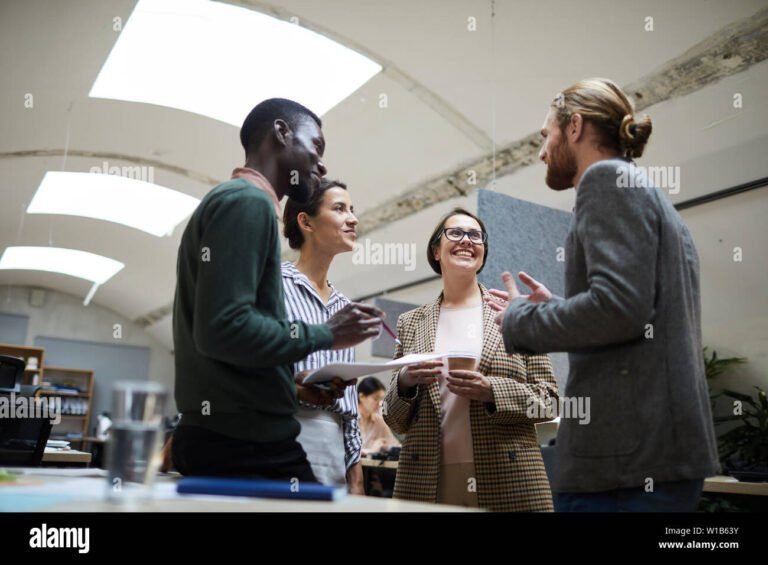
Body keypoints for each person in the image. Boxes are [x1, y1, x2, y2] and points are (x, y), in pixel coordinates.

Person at [494, 78, 719, 511]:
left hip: (624, 462)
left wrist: (519, 318)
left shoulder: (606, 178)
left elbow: (618, 310)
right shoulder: (643, 190)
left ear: (574, 127)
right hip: (651, 457)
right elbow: (631, 310)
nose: (542, 152)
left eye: (546, 136)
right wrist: (558, 310)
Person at [171, 98, 383, 482]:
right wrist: (327, 334)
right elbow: (224, 329)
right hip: (245, 443)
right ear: (281, 133)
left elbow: (229, 347)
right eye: (316, 147)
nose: (321, 164)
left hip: (227, 436)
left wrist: (289, 386)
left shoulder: (234, 200)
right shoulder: (248, 203)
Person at [383, 208, 559, 511]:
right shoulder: (411, 322)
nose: (467, 240)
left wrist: (492, 390)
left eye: (475, 235)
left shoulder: (512, 312)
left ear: (483, 252)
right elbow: (394, 417)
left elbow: (551, 400)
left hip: (508, 474)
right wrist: (405, 381)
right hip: (427, 476)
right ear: (436, 250)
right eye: (456, 233)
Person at [281, 177, 364, 492]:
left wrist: (355, 476)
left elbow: (350, 410)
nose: (353, 218)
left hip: (334, 456)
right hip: (282, 441)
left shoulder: (345, 308)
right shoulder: (273, 286)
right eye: (340, 209)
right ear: (306, 222)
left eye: (352, 209)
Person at [357, 377, 400, 455]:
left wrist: (386, 447)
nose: (380, 404)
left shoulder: (379, 421)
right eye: (375, 399)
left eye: (381, 399)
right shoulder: (348, 419)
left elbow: (395, 445)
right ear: (361, 397)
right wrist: (372, 450)